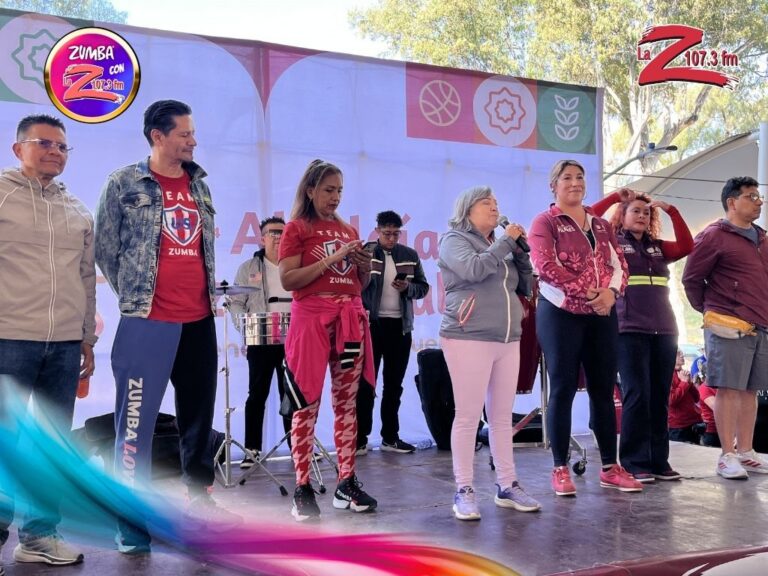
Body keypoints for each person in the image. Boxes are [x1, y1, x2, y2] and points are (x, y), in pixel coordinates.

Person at [95, 99, 239, 553]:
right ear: (158, 136)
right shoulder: (123, 182)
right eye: (185, 134)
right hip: (148, 323)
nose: (193, 141)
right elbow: (105, 249)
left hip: (199, 320)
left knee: (198, 418)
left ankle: (200, 499)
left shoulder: (200, 185)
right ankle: (131, 520)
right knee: (134, 426)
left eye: (193, 133)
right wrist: (137, 297)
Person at [0, 114, 95, 567]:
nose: (55, 151)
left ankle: (38, 536)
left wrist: (86, 338)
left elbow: (86, 278)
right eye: (44, 143)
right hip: (8, 338)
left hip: (63, 346)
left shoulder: (77, 209)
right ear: (18, 148)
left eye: (62, 146)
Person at [528, 159, 642, 496]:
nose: (575, 182)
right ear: (554, 185)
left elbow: (619, 264)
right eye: (567, 177)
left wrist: (610, 293)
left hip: (601, 312)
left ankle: (610, 467)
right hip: (560, 313)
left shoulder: (601, 225)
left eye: (579, 177)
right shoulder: (545, 221)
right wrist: (589, 292)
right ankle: (560, 468)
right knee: (562, 388)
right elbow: (545, 266)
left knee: (603, 389)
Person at [278, 159, 377, 522]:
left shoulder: (348, 230)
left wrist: (363, 266)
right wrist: (331, 258)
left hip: (349, 319)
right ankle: (302, 487)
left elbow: (359, 284)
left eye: (339, 191)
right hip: (311, 321)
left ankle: (346, 481)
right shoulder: (296, 228)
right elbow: (288, 280)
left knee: (347, 402)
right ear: (310, 191)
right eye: (328, 190)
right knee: (306, 403)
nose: (335, 197)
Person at [438, 186, 540, 521]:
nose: (494, 207)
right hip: (468, 336)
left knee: (501, 417)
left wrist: (520, 254)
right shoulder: (454, 240)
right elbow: (474, 270)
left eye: (496, 202)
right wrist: (506, 243)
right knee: (468, 416)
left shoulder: (502, 244)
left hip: (507, 338)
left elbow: (524, 285)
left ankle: (507, 484)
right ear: (468, 210)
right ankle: (464, 489)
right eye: (487, 203)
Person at [592, 189, 693, 482]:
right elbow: (590, 217)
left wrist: (672, 211)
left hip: (665, 329)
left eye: (646, 212)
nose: (642, 216)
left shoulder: (657, 247)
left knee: (659, 396)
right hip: (629, 329)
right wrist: (615, 197)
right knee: (637, 393)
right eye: (635, 211)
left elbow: (687, 245)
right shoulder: (611, 243)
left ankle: (659, 461)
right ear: (622, 216)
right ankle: (635, 462)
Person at [682, 176, 768, 479]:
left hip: (760, 324)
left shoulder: (762, 237)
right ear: (732, 202)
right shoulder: (713, 236)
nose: (758, 202)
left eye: (759, 196)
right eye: (751, 196)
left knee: (750, 390)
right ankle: (726, 455)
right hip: (728, 325)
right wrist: (711, 311)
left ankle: (746, 451)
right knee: (729, 389)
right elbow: (691, 280)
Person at [356, 210, 430, 455]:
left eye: (396, 234)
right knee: (366, 384)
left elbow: (423, 288)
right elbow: (354, 285)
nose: (391, 238)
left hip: (400, 327)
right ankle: (359, 439)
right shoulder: (366, 252)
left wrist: (407, 287)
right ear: (377, 230)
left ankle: (390, 437)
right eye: (387, 233)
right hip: (371, 325)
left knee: (394, 385)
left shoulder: (409, 255)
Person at [228, 216, 292, 467]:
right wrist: (244, 327)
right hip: (261, 339)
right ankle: (252, 449)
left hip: (293, 340)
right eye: (272, 233)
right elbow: (236, 302)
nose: (278, 237)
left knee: (292, 396)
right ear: (262, 238)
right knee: (256, 395)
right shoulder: (249, 268)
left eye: (282, 233)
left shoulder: (295, 265)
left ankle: (298, 447)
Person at [668, 350, 703, 445]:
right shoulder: (667, 375)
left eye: (682, 353)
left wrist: (689, 383)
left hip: (694, 423)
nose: (682, 356)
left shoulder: (683, 373)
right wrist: (684, 383)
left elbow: (696, 398)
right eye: (678, 354)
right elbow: (671, 400)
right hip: (679, 428)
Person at [691, 355, 720, 448]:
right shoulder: (704, 388)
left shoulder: (720, 387)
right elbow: (718, 408)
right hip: (712, 432)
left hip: (723, 429)